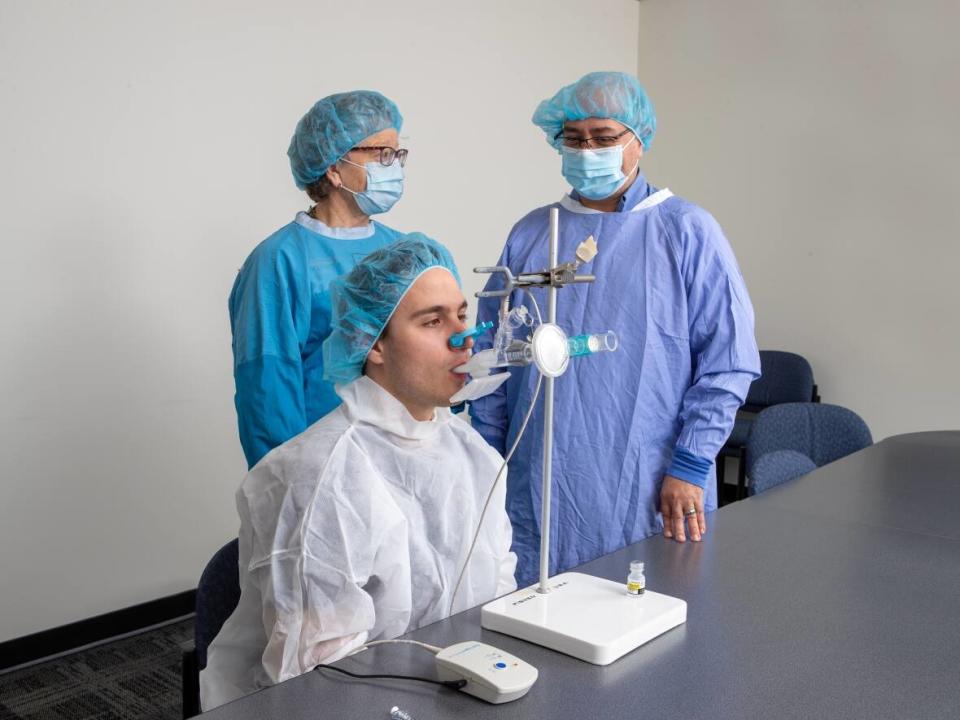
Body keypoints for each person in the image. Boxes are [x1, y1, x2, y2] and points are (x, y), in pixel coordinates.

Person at [201, 235, 517, 709]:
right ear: (373, 346)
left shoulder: (473, 454)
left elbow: (499, 593)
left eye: (461, 315)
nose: (462, 339)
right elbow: (317, 676)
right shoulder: (324, 473)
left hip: (453, 685)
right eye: (433, 321)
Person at [470, 72, 761, 587]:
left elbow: (728, 361)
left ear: (639, 140)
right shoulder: (533, 231)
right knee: (536, 608)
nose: (588, 150)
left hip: (648, 476)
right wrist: (485, 458)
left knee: (645, 619)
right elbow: (493, 353)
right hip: (539, 473)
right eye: (575, 139)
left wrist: (690, 466)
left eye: (604, 138)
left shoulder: (686, 229)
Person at [230, 90, 409, 469]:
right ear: (333, 167)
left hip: (400, 459)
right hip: (323, 465)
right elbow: (267, 388)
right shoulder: (280, 260)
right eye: (380, 154)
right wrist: (292, 482)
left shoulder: (403, 252)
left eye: (397, 154)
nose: (393, 166)